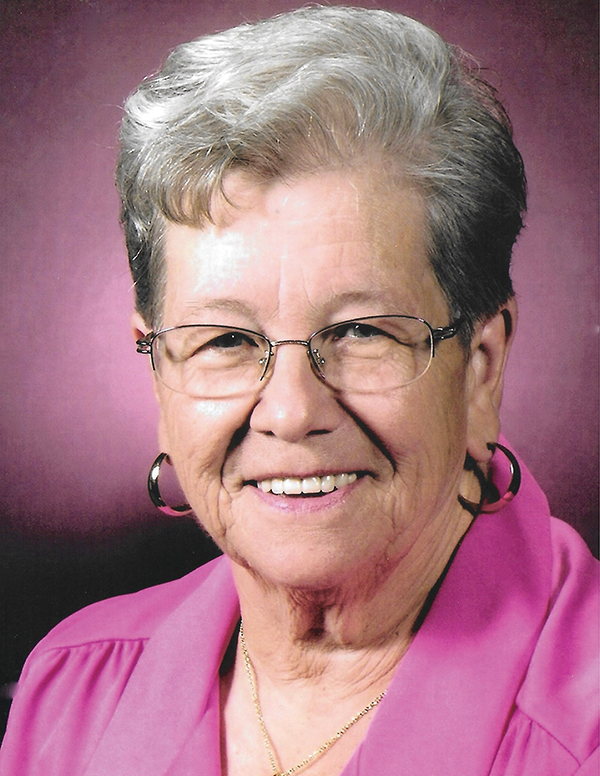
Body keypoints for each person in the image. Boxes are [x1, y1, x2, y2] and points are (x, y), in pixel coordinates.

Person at [0, 6, 597, 775]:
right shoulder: (69, 696)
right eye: (224, 341)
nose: (290, 412)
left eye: (362, 331)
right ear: (158, 373)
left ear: (481, 366)